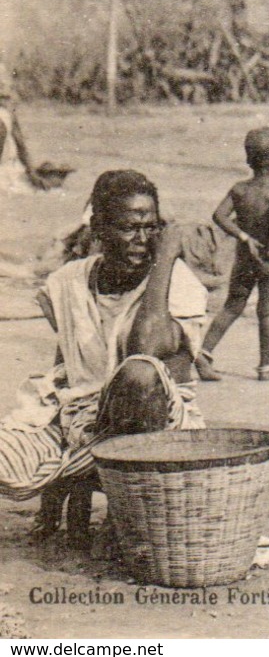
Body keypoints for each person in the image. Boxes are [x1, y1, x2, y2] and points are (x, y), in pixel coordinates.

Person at [0, 171, 207, 537]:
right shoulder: (69, 282)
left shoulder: (178, 283)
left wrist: (167, 261)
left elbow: (145, 353)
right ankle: (72, 472)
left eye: (152, 228)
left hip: (158, 430)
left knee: (138, 374)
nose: (143, 241)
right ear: (99, 229)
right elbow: (67, 365)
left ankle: (126, 512)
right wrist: (55, 491)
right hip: (85, 421)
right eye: (129, 228)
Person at [197, 128, 269, 382]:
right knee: (268, 312)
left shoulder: (240, 189)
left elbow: (219, 215)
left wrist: (244, 237)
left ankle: (204, 353)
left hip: (245, 257)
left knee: (232, 305)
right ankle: (265, 368)